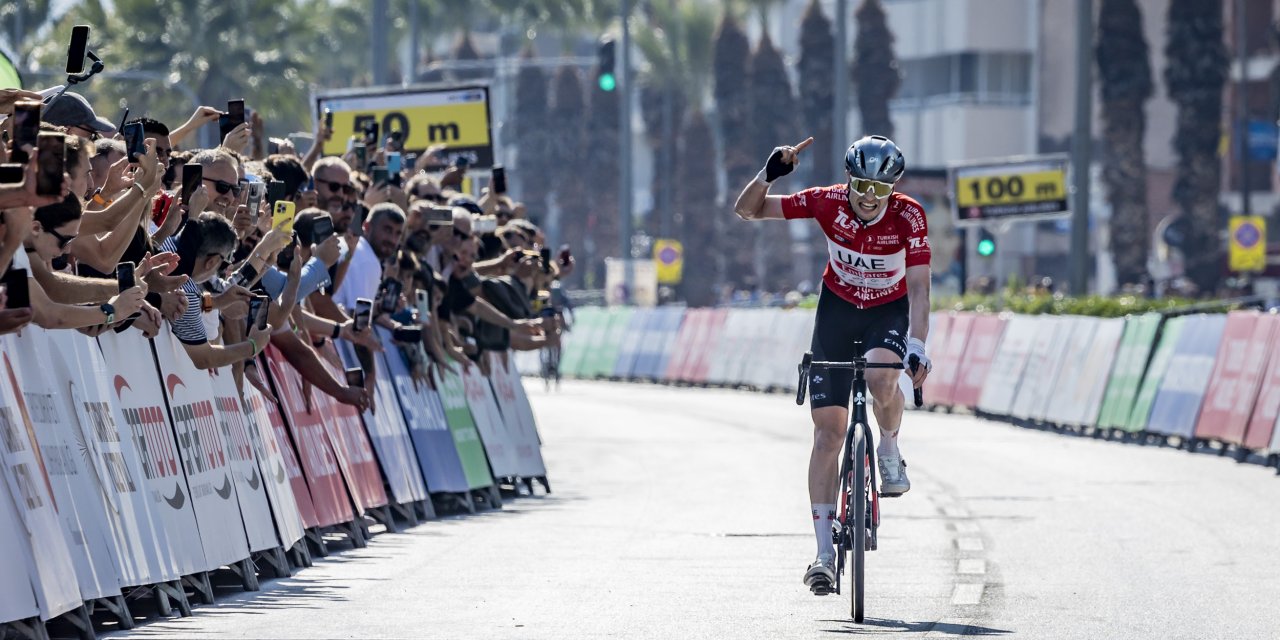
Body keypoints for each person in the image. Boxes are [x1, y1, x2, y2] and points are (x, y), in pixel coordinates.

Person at [732, 134, 933, 595]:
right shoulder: (825, 203)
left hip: (887, 310)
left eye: (879, 190)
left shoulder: (910, 216)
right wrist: (769, 175)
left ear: (893, 189)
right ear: (848, 179)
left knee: (884, 378)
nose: (867, 198)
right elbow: (748, 210)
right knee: (827, 435)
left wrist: (918, 344)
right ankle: (823, 552)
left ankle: (887, 445)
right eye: (860, 186)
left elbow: (920, 288)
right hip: (837, 312)